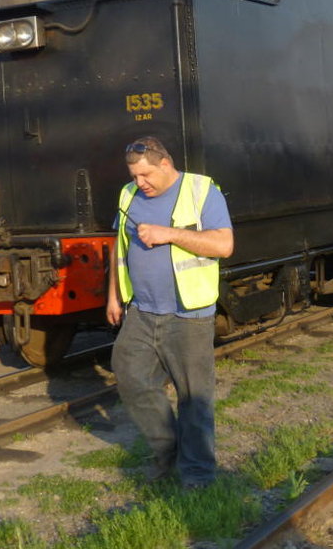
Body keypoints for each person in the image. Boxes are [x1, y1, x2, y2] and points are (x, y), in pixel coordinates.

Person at [106, 136, 234, 488]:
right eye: (134, 175)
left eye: (145, 175)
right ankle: (169, 452)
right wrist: (113, 297)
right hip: (142, 311)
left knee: (194, 397)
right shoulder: (128, 195)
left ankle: (198, 476)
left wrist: (169, 234)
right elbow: (118, 249)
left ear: (165, 164)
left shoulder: (201, 190)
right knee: (130, 376)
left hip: (188, 314)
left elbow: (224, 244)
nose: (139, 182)